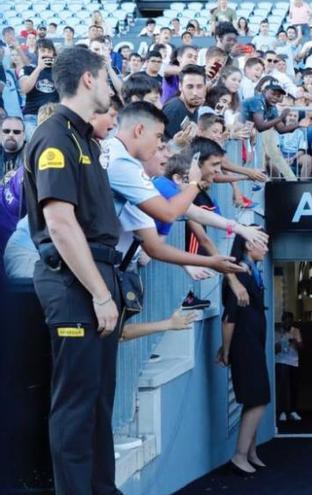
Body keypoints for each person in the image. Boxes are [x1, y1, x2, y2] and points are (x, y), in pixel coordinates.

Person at [23, 46, 122, 495]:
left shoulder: (84, 137)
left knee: (99, 403)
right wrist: (100, 294)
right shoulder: (54, 136)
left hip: (95, 276)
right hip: (73, 282)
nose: (110, 88)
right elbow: (61, 225)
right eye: (106, 79)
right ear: (88, 79)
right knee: (77, 407)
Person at [218, 227, 271, 475]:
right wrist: (227, 350)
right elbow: (230, 317)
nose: (267, 248)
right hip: (244, 345)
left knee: (257, 397)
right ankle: (239, 455)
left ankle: (250, 451)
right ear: (249, 245)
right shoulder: (238, 273)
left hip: (253, 343)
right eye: (263, 243)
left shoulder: (251, 270)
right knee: (257, 398)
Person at [275, 311, 303, 422]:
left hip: (293, 362)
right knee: (282, 387)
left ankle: (293, 410)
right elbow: (273, 349)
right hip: (281, 361)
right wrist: (281, 343)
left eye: (290, 321)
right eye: (286, 321)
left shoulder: (295, 331)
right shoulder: (277, 332)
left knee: (293, 387)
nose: (288, 324)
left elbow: (301, 347)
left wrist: (295, 341)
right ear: (282, 321)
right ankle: (281, 411)